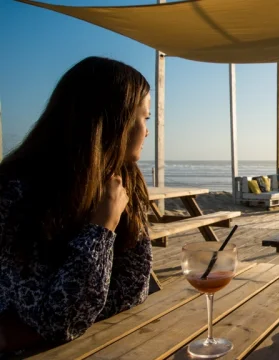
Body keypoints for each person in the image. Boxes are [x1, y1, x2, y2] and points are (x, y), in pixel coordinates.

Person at [0, 57, 153, 353]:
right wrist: (101, 228)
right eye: (144, 118)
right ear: (115, 120)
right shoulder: (16, 192)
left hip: (104, 342)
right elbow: (58, 322)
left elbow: (133, 288)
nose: (147, 131)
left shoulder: (119, 180)